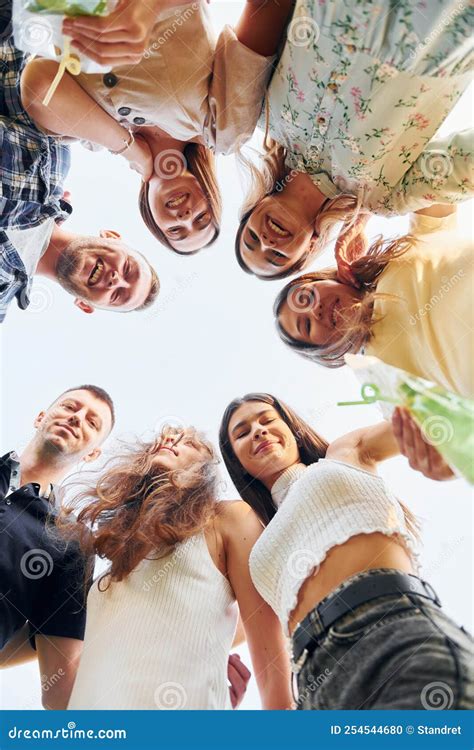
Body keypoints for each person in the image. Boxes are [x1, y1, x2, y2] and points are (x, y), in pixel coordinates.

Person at [219, 393, 474, 709]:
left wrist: (444, 439)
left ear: (293, 430)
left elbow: (424, 419)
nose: (258, 430)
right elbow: (263, 661)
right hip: (315, 684)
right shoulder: (255, 546)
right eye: (242, 433)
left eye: (268, 420)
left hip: (390, 629)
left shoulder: (343, 454)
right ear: (238, 464)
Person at [21, 0, 295, 254]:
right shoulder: (222, 130)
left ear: (149, 213)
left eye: (175, 230)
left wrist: (130, 150)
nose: (186, 217)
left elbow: (38, 85)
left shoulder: (92, 138)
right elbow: (267, 7)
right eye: (202, 217)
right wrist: (146, 9)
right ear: (211, 192)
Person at [235, 0, 473, 279]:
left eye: (251, 238)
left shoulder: (263, 116)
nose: (266, 242)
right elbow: (463, 167)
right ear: (310, 247)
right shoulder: (382, 198)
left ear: (254, 207)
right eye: (276, 257)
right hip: (433, 26)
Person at [63, 425, 293, 710]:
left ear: (205, 471)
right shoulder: (111, 565)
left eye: (191, 443)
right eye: (167, 436)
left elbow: (272, 666)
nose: (171, 439)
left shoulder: (227, 518)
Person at [0, 6, 159, 323]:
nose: (117, 279)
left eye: (118, 295)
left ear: (84, 306)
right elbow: (33, 79)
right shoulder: (57, 162)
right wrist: (133, 151)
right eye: (128, 268)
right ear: (113, 237)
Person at [274, 205, 474, 399]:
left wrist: (358, 221)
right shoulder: (378, 375)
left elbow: (430, 186)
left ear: (326, 279)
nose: (315, 311)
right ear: (322, 350)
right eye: (306, 325)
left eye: (308, 296)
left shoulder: (405, 250)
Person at [0, 386, 115, 709]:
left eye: (93, 422)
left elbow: (60, 693)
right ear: (41, 417)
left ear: (93, 453)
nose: (77, 418)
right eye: (70, 407)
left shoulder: (72, 545)